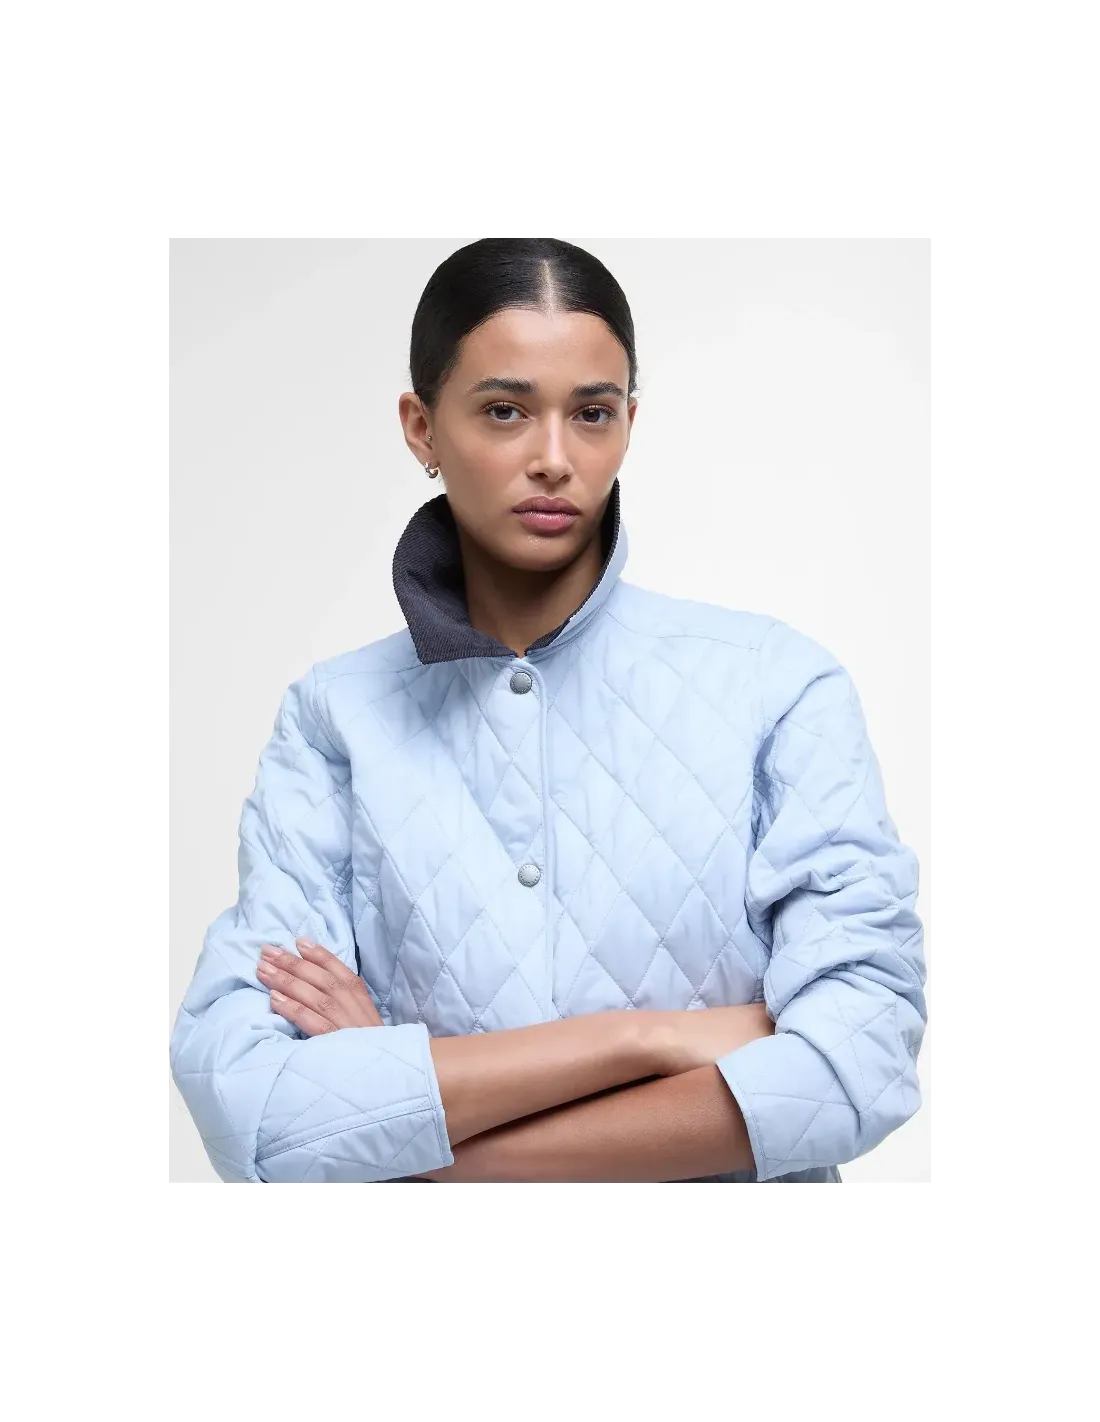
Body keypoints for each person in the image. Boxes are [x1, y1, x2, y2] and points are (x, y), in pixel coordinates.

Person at [169, 233, 928, 1184]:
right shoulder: (335, 720)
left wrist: (412, 1139)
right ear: (421, 428)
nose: (555, 459)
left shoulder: (777, 685)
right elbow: (249, 1106)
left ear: (629, 424)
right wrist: (643, 1038)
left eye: (593, 413)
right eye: (505, 411)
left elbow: (860, 1062)